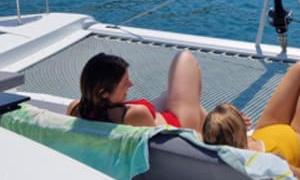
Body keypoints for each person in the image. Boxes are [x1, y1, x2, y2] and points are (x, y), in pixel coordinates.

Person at [67, 50, 208, 130]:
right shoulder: (134, 114)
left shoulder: (76, 108)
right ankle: (210, 130)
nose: (131, 84)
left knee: (169, 94)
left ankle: (209, 124)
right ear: (104, 93)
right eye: (124, 83)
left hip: (157, 116)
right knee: (185, 58)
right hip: (180, 125)